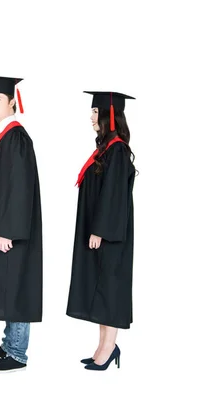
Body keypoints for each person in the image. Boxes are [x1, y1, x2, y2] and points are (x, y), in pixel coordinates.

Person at [0, 75, 43, 374]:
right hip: (6, 226)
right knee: (8, 282)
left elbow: (18, 187)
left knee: (17, 286)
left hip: (13, 230)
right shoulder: (2, 134)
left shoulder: (15, 137)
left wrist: (7, 230)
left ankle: (17, 353)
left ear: (12, 102)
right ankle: (8, 342)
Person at [66, 91, 137, 371]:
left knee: (109, 290)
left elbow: (113, 195)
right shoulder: (106, 148)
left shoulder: (117, 150)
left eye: (96, 112)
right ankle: (103, 346)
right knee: (100, 288)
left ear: (109, 115)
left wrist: (100, 230)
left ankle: (109, 348)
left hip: (110, 236)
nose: (91, 117)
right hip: (102, 233)